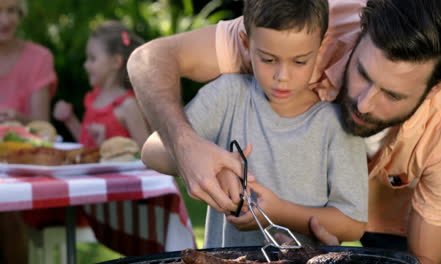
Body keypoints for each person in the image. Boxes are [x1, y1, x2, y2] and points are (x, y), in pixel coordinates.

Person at [127, 0, 441, 262]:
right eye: (363, 73)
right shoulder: (305, 28)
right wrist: (188, 149)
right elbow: (150, 59)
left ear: (434, 89)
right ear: (358, 33)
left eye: (392, 95)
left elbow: (425, 258)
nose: (364, 104)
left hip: (396, 224)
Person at [142, 0, 368, 248]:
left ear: (320, 47)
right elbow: (151, 152)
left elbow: (353, 223)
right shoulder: (227, 96)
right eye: (268, 59)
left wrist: (280, 213)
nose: (282, 76)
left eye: (300, 61)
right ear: (248, 45)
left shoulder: (337, 124)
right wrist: (214, 168)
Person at [0, 0, 58, 263]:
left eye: (11, 10)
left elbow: (42, 130)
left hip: (25, 177)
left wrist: (19, 119)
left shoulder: (39, 58)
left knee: (5, 207)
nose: (5, 20)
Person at [53, 20, 150, 148]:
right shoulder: (94, 98)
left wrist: (106, 146)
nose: (85, 65)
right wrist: (70, 120)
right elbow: (86, 145)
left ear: (116, 61)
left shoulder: (128, 105)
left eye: (92, 58)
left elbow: (147, 155)